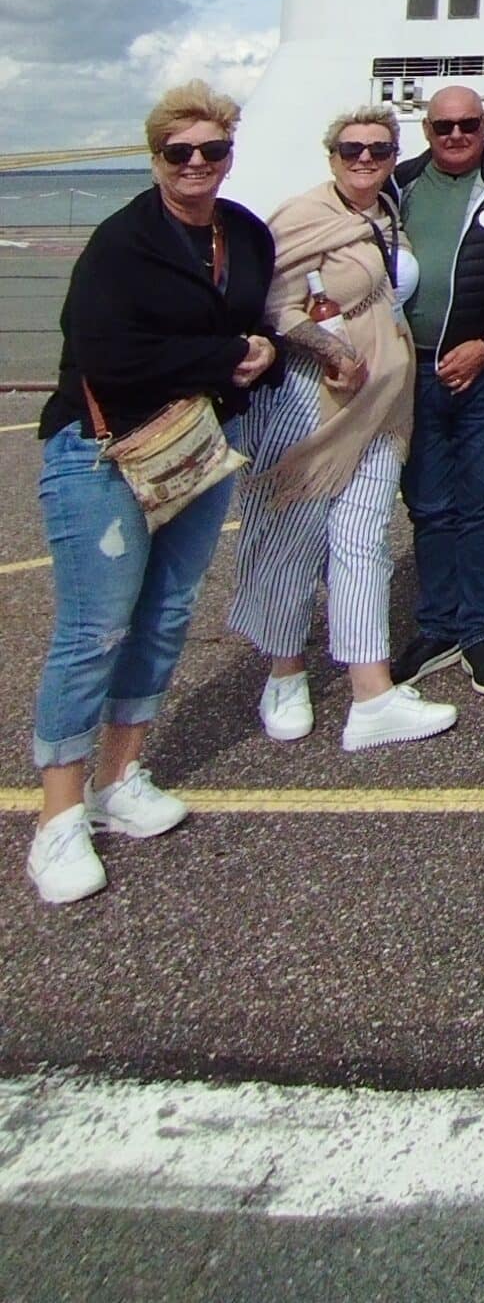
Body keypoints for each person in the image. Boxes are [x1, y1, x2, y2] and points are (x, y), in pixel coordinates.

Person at [27, 83, 281, 906]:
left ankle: (120, 776)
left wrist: (263, 352)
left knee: (169, 610)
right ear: (156, 157)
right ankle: (57, 820)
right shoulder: (123, 242)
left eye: (212, 150)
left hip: (196, 447)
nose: (198, 165)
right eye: (181, 153)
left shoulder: (243, 234)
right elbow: (106, 355)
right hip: (102, 453)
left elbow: (253, 323)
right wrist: (223, 359)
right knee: (93, 630)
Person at [228, 106, 457, 752]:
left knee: (363, 544)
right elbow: (271, 302)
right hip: (311, 401)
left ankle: (371, 695)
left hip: (383, 405)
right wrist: (330, 352)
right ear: (331, 154)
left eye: (379, 150)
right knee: (289, 539)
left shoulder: (387, 213)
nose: (365, 159)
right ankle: (284, 673)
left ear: (392, 156)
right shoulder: (303, 215)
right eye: (352, 149)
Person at [392, 86, 484, 697]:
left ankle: (480, 631)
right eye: (444, 126)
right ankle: (437, 626)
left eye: (468, 124)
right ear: (427, 131)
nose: (456, 136)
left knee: (483, 503)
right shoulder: (398, 186)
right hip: (413, 372)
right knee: (427, 505)